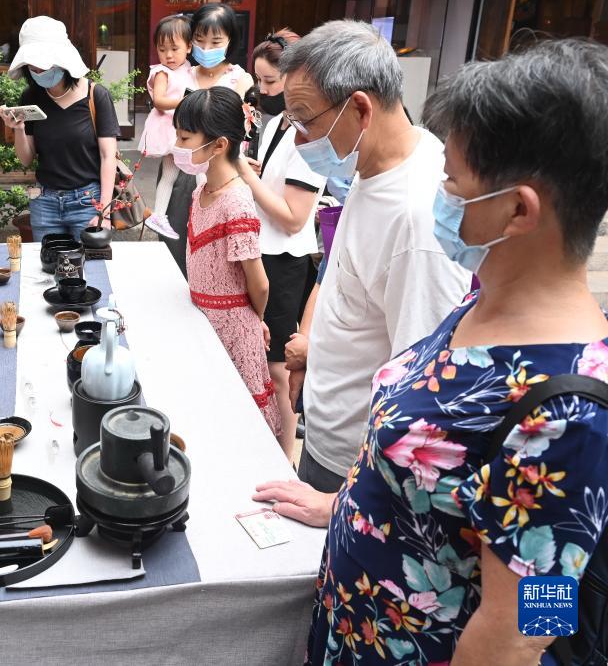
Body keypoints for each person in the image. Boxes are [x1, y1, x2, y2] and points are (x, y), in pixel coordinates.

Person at [254, 37, 608, 666]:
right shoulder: (484, 304)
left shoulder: (570, 412)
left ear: (517, 210)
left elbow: (530, 625)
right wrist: (344, 504)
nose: (439, 189)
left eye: (452, 179)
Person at [275, 20, 470, 492]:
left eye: (305, 121)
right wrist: (313, 348)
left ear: (360, 108)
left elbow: (423, 386)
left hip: (359, 468)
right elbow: (346, 280)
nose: (299, 141)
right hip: (329, 433)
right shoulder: (374, 165)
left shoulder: (417, 218)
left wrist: (347, 501)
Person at [236, 29, 324, 461]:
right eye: (259, 80)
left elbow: (293, 218)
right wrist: (257, 172)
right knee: (260, 353)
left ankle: (285, 455)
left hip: (286, 259)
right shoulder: (277, 123)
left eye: (270, 81)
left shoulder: (310, 133)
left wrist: (245, 174)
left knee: (278, 364)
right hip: (264, 249)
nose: (263, 89)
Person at [177, 87, 283, 434]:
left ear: (219, 145)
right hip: (204, 321)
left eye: (185, 137)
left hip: (233, 332)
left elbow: (260, 283)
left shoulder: (236, 202)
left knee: (238, 422)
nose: (177, 145)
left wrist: (254, 319)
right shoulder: (200, 191)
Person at [0, 16, 120, 243]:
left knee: (89, 263)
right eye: (32, 67)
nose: (38, 71)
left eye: (44, 66)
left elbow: (108, 156)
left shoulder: (96, 95)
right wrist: (19, 128)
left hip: (87, 201)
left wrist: (104, 211)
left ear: (62, 60)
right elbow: (26, 159)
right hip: (45, 202)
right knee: (46, 262)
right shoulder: (31, 97)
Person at [157, 3, 254, 273]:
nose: (206, 48)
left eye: (215, 42)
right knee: (174, 241)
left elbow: (244, 130)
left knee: (212, 247)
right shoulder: (180, 74)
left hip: (220, 173)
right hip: (180, 169)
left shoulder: (240, 79)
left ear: (230, 40)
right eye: (199, 40)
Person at [141, 14, 195, 240]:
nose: (168, 55)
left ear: (189, 47)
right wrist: (186, 102)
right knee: (189, 170)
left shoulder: (188, 69)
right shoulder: (162, 72)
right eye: (162, 49)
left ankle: (160, 215)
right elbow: (159, 101)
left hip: (180, 127)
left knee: (174, 174)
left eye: (174, 49)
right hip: (168, 129)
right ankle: (161, 215)